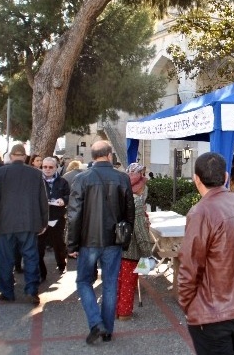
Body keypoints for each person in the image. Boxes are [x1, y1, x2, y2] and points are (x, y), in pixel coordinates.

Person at [178, 152, 234, 355]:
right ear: (226, 177)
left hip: (214, 312)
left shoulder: (201, 212)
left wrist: (187, 305)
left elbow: (189, 267)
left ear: (196, 179)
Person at [66, 140, 135, 345]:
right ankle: (106, 330)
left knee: (83, 281)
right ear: (109, 155)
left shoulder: (82, 178)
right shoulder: (122, 178)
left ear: (93, 156)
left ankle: (96, 323)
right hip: (113, 240)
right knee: (110, 284)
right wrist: (125, 239)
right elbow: (129, 213)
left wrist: (72, 244)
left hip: (88, 240)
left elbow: (74, 214)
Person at [0, 144, 48, 305]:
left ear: (12, 156)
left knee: (6, 258)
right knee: (31, 257)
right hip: (29, 222)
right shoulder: (35, 174)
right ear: (25, 156)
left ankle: (7, 291)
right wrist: (44, 221)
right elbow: (43, 199)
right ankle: (31, 291)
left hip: (6, 222)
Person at [116, 162, 154, 321]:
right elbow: (139, 230)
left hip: (113, 245)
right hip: (129, 247)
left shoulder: (117, 192)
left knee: (115, 282)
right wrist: (147, 253)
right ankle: (124, 312)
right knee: (127, 282)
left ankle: (113, 310)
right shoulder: (136, 201)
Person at [39, 157, 70, 281]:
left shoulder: (62, 182)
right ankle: (42, 273)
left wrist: (64, 200)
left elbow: (69, 195)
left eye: (50, 167)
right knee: (39, 247)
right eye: (45, 167)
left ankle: (61, 264)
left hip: (57, 217)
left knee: (58, 244)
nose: (47, 169)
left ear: (56, 168)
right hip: (41, 219)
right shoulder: (38, 181)